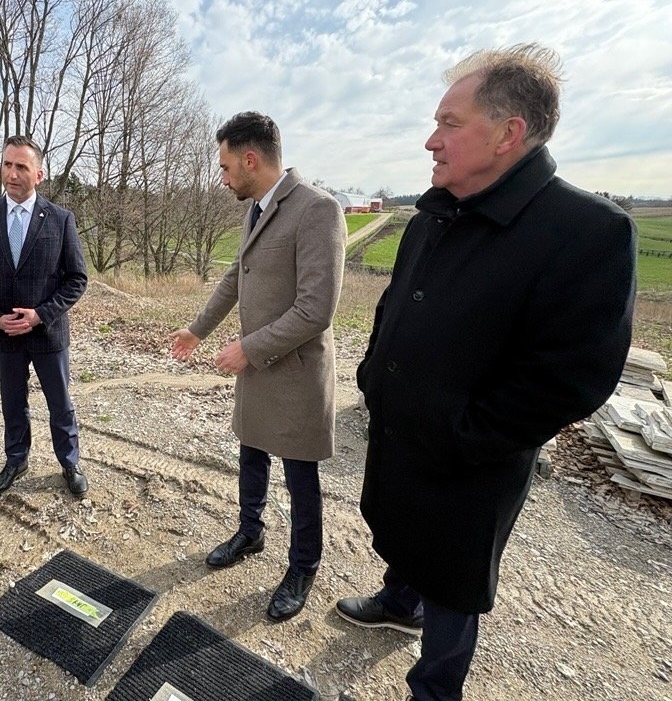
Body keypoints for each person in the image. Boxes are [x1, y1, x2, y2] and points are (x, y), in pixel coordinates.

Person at [334, 44, 636, 701]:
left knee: (453, 575)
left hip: (470, 459)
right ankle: (397, 601)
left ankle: (435, 688)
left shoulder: (586, 231)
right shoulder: (435, 215)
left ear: (508, 133)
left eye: (448, 123)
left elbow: (572, 376)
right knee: (403, 533)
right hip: (404, 435)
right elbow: (393, 309)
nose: (430, 141)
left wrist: (463, 434)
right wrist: (372, 377)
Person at [170, 112, 346, 621]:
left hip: (292, 373)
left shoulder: (317, 210)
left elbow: (317, 310)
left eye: (226, 167)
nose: (222, 178)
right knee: (251, 455)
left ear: (251, 159)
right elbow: (235, 277)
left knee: (299, 474)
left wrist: (249, 348)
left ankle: (303, 565)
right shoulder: (257, 209)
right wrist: (198, 329)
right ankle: (250, 532)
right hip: (257, 368)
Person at [0, 135, 89, 497]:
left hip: (47, 334)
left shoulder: (61, 219)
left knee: (60, 402)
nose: (12, 173)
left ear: (39, 174)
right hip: (5, 334)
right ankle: (16, 459)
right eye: (7, 164)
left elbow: (77, 278)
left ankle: (69, 461)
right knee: (12, 401)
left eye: (21, 167)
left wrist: (41, 315)